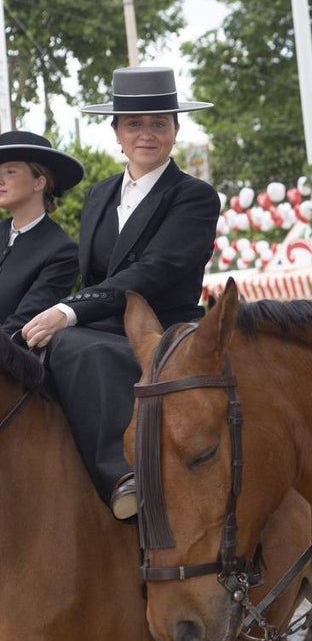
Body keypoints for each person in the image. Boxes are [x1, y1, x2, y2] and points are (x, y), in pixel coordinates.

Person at [21, 66, 218, 521]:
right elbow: (93, 275)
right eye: (134, 124)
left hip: (163, 327)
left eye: (158, 123)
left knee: (74, 345)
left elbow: (154, 271)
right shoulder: (98, 195)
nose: (146, 133)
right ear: (116, 133)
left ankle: (121, 474)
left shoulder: (195, 196)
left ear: (174, 130)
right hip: (100, 320)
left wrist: (67, 312)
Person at [0, 131, 81, 339]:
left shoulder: (61, 251)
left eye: (10, 172)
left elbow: (21, 326)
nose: (0, 180)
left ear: (39, 182)